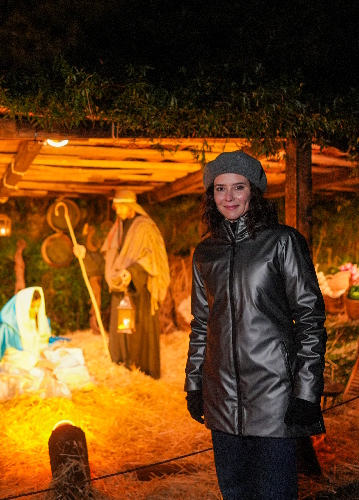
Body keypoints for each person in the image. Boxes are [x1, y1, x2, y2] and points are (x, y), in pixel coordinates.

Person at [184, 151, 327, 499]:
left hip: (274, 396)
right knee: (234, 492)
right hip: (221, 399)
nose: (229, 197)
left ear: (254, 191)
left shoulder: (282, 242)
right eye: (220, 189)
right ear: (211, 195)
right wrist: (194, 384)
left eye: (238, 187)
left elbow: (310, 318)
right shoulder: (205, 253)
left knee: (275, 493)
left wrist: (307, 391)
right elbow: (201, 325)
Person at [74, 190, 170, 379]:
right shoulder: (117, 229)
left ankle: (142, 369)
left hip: (139, 291)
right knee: (121, 329)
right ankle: (122, 364)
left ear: (130, 205)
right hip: (121, 289)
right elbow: (108, 259)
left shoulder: (145, 227)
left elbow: (153, 258)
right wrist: (85, 254)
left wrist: (132, 271)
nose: (116, 210)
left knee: (138, 332)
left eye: (119, 206)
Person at [0, 287, 50, 379]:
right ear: (24, 306)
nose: (35, 311)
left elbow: (39, 342)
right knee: (35, 377)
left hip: (33, 359)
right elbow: (8, 353)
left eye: (38, 306)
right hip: (15, 363)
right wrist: (35, 362)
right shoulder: (8, 327)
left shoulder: (35, 321)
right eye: (32, 307)